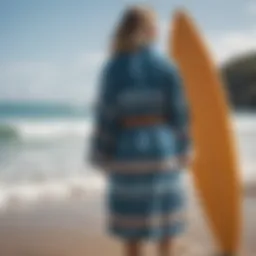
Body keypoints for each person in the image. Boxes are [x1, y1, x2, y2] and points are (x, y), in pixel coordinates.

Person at [90, 5, 191, 256]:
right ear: (150, 30)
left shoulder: (112, 68)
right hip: (161, 147)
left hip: (127, 150)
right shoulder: (167, 66)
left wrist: (101, 154)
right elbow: (179, 114)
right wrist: (184, 148)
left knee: (131, 226)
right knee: (166, 221)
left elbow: (106, 117)